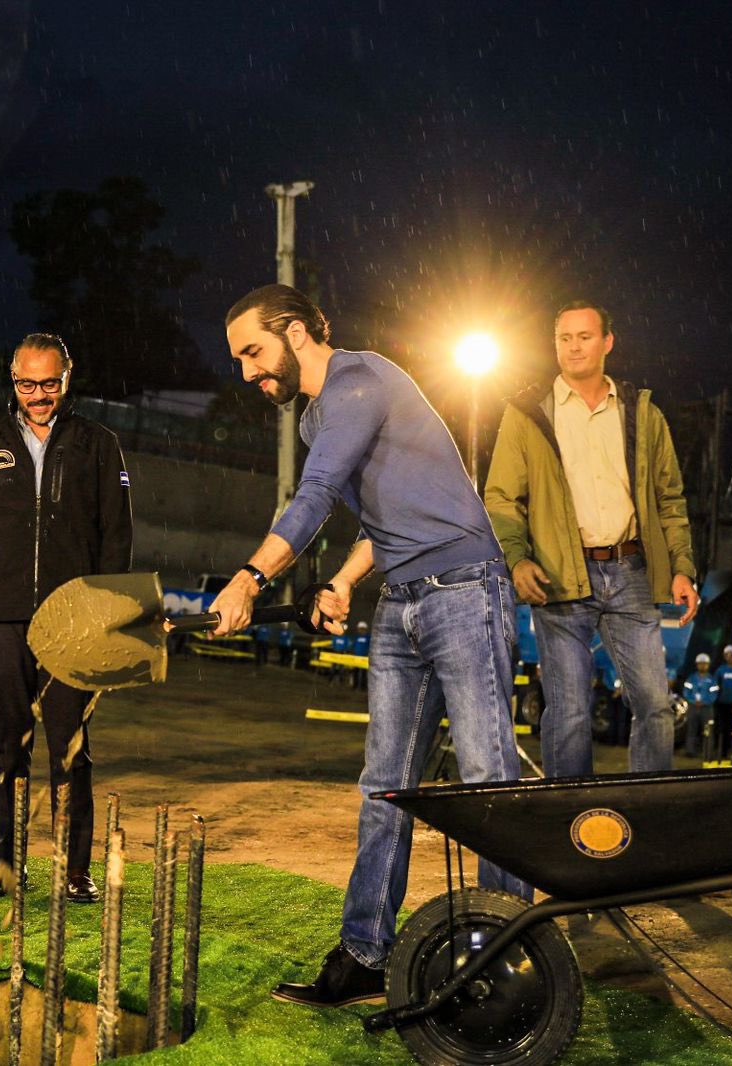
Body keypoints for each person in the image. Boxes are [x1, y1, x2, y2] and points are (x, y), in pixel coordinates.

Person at [207, 283, 527, 1007]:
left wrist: (251, 578)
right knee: (385, 786)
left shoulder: (359, 380)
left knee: (487, 783)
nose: (249, 374)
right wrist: (349, 580)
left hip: (465, 589)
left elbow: (316, 495)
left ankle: (506, 952)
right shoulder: (316, 417)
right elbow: (380, 522)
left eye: (253, 352)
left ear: (293, 332)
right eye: (238, 361)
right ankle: (364, 956)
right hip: (404, 601)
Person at [0, 333, 133, 904]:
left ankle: (75, 869)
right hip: (1, 619)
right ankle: (7, 862)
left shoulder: (99, 444)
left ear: (66, 379)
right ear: (13, 379)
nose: (37, 395)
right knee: (7, 743)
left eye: (48, 384)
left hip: (73, 619)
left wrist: (104, 611)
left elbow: (115, 534)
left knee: (70, 748)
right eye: (27, 384)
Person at [484, 300, 697, 778]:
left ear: (607, 342)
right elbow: (500, 498)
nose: (574, 346)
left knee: (655, 705)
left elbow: (670, 499)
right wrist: (517, 560)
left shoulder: (642, 414)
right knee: (569, 710)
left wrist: (682, 567)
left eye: (584, 336)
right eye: (564, 338)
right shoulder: (525, 415)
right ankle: (573, 822)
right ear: (554, 344)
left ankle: (648, 808)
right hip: (561, 577)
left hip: (631, 572)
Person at [681, 653, 721, 757]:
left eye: (705, 664)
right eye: (700, 664)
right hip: (693, 707)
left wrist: (705, 702)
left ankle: (708, 752)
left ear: (708, 665)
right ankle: (690, 751)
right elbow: (686, 691)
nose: (702, 666)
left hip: (707, 708)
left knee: (708, 730)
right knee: (691, 729)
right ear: (697, 665)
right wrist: (693, 701)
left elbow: (714, 694)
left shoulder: (712, 680)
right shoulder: (691, 678)